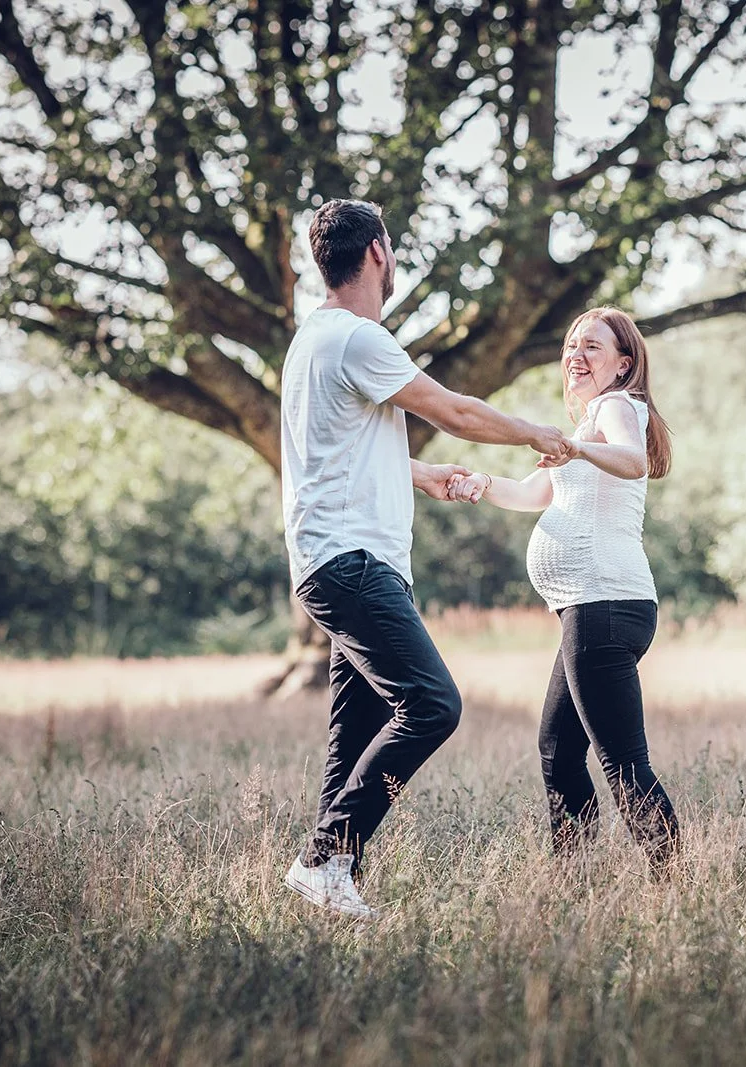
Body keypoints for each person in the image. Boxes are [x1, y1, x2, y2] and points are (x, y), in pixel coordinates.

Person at [280, 199, 574, 919]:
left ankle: (331, 882)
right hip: (353, 563)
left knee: (353, 734)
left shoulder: (312, 340)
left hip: (331, 561)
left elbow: (333, 453)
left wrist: (421, 474)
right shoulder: (359, 338)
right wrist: (535, 432)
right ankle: (323, 854)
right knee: (433, 704)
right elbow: (458, 411)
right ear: (377, 253)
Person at [446, 306, 680, 869]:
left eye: (592, 346)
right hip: (590, 607)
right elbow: (532, 494)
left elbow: (632, 461)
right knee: (558, 750)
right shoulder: (585, 427)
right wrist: (479, 481)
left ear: (623, 364)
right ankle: (573, 878)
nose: (576, 355)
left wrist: (578, 450)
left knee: (622, 761)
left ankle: (675, 885)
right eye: (572, 345)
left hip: (605, 602)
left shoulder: (617, 406)